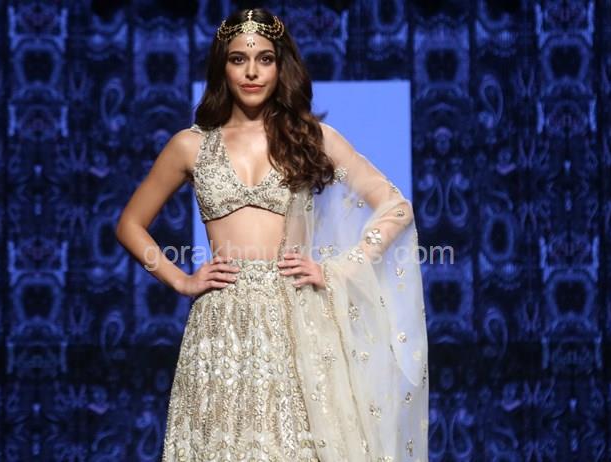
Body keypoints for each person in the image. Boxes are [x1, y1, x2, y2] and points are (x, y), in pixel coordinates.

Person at [115, 7, 428, 461]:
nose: (252, 71)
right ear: (222, 66)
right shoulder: (190, 145)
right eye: (238, 59)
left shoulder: (312, 137)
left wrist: (340, 268)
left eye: (264, 58)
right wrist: (180, 279)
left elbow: (395, 207)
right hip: (220, 329)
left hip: (296, 319)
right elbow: (129, 224)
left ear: (281, 66)